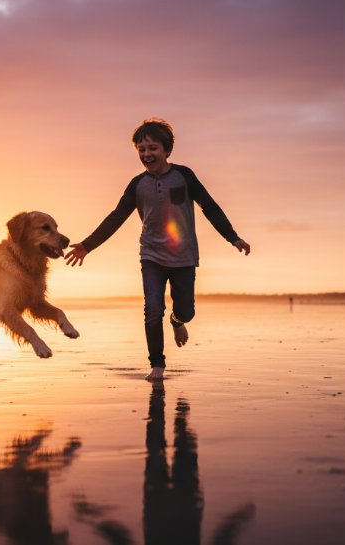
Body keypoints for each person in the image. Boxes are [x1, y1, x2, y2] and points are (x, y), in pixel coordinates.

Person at [65, 118, 250, 380]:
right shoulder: (137, 184)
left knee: (187, 310)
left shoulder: (184, 176)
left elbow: (210, 206)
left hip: (184, 256)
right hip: (151, 255)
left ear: (166, 150)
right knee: (152, 309)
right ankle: (157, 365)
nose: (146, 154)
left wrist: (232, 237)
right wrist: (87, 245)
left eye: (152, 148)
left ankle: (177, 321)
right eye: (141, 149)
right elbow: (116, 217)